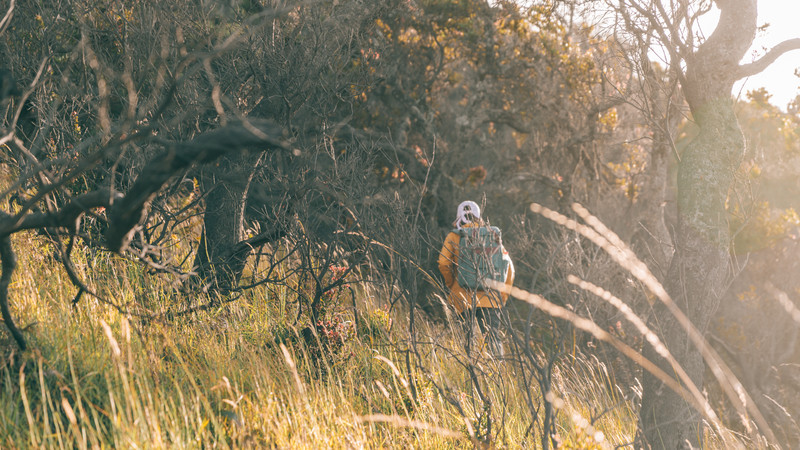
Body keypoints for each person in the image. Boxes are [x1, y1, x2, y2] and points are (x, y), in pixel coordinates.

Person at [438, 200, 515, 357]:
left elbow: (443, 263)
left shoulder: (454, 236)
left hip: (462, 297)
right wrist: (502, 295)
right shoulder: (492, 235)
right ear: (479, 216)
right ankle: (497, 373)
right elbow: (509, 268)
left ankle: (467, 373)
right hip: (491, 298)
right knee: (493, 339)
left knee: (466, 340)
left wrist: (452, 285)